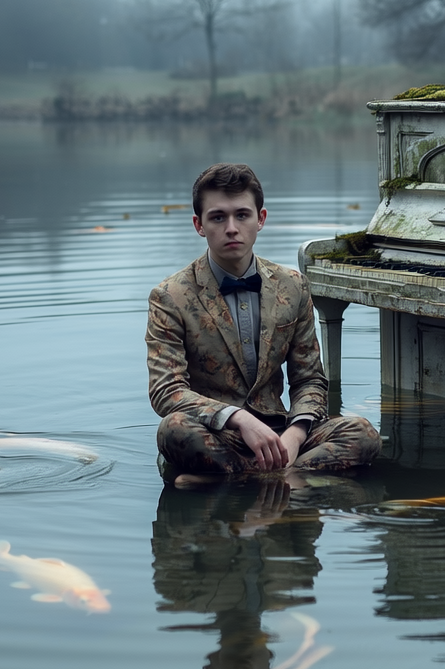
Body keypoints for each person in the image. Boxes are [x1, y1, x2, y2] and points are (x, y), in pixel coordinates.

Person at [146, 161, 381, 487]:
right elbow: (167, 392)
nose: (231, 227)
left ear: (261, 219)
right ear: (199, 225)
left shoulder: (293, 286)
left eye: (242, 215)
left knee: (363, 434)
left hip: (281, 433)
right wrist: (237, 418)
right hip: (217, 434)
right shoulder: (169, 296)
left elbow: (309, 379)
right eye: (218, 217)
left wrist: (296, 436)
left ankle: (239, 479)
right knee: (173, 430)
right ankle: (288, 479)